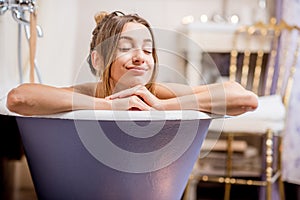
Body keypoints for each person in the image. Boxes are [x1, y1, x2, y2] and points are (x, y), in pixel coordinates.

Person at [6, 11, 258, 116]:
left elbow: (245, 99)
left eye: (147, 50)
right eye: (125, 48)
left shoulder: (155, 93)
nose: (140, 56)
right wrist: (108, 106)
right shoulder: (90, 92)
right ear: (98, 59)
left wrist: (161, 105)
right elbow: (18, 98)